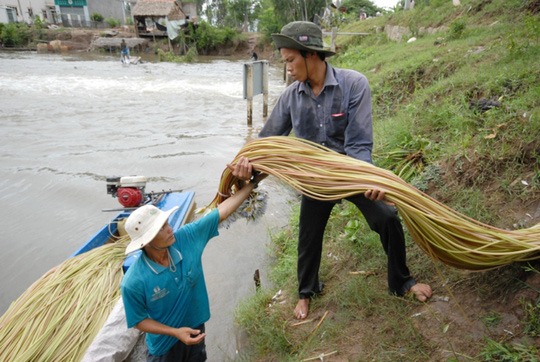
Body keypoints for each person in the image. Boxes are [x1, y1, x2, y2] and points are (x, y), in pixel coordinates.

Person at [257, 21, 432, 320]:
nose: (286, 68)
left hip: (352, 174)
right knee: (308, 235)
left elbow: (360, 144)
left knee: (387, 218)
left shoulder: (354, 84)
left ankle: (402, 282)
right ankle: (307, 292)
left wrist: (370, 180)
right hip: (316, 181)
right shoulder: (290, 97)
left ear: (311, 55)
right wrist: (249, 163)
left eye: (290, 60)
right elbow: (268, 143)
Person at [120, 157, 264, 361]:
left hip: (196, 331)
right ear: (147, 241)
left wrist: (252, 184)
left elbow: (222, 212)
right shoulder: (133, 282)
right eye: (162, 228)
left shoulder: (186, 238)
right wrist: (175, 332)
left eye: (167, 223)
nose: (170, 229)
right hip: (164, 347)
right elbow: (138, 320)